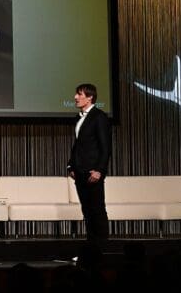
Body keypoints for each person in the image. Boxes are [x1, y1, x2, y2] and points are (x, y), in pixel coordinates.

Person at [67, 83, 112, 244]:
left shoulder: (99, 117)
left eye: (79, 94)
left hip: (93, 171)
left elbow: (105, 147)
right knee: (86, 210)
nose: (75, 97)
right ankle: (91, 248)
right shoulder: (79, 118)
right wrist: (71, 166)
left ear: (90, 97)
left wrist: (99, 170)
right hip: (80, 171)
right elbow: (78, 144)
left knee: (97, 209)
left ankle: (103, 248)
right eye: (76, 94)